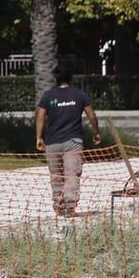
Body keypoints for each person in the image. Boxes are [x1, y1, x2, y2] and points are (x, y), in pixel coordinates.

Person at [34, 70, 100, 219]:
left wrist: (39, 137)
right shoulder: (79, 95)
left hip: (52, 142)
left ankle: (59, 205)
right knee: (72, 173)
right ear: (71, 78)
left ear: (55, 79)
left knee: (56, 175)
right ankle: (70, 207)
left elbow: (40, 116)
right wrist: (96, 132)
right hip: (73, 142)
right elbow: (91, 115)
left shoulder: (48, 96)